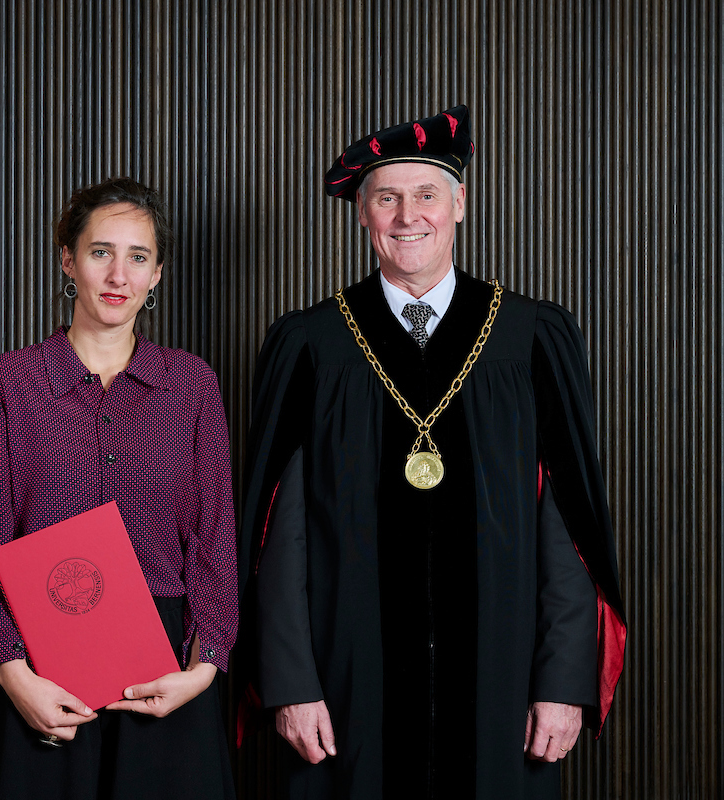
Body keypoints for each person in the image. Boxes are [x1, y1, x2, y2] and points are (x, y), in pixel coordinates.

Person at [238, 106, 627, 799]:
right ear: (363, 213)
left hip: (504, 686)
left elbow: (567, 529)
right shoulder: (312, 345)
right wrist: (290, 682)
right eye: (386, 198)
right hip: (346, 686)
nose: (407, 216)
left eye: (426, 195)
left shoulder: (530, 338)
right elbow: (278, 534)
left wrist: (563, 680)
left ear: (460, 204)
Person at [0, 177, 237, 799]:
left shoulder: (191, 384)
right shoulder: (11, 382)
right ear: (68, 259)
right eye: (100, 252)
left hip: (166, 666)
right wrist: (12, 673)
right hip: (37, 661)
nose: (118, 275)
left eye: (138, 257)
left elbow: (214, 536)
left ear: (157, 273)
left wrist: (205, 666)